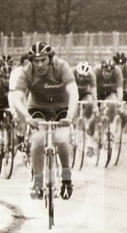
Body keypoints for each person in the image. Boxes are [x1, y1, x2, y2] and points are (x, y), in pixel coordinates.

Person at [8, 42, 78, 200]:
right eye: (36, 61)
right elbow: (17, 97)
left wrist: (70, 116)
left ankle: (66, 177)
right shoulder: (27, 71)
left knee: (61, 139)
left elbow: (73, 92)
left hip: (61, 108)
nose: (39, 65)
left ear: (50, 59)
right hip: (38, 108)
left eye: (43, 60)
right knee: (38, 139)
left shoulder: (61, 66)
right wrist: (26, 116)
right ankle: (38, 181)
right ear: (31, 61)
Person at [93, 59, 123, 141]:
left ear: (113, 71)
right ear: (101, 69)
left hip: (109, 93)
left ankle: (111, 130)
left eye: (110, 71)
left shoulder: (117, 72)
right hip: (97, 93)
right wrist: (95, 104)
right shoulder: (95, 71)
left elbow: (119, 89)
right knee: (94, 110)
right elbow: (92, 89)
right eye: (105, 71)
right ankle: (94, 131)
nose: (107, 73)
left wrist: (119, 103)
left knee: (113, 104)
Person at [73, 61, 97, 156]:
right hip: (73, 94)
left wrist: (95, 106)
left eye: (84, 77)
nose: (82, 79)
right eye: (80, 76)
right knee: (72, 110)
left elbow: (94, 92)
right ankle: (73, 128)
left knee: (90, 103)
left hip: (85, 94)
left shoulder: (91, 76)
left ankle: (85, 123)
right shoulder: (71, 72)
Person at [112, 51, 127, 128]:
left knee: (124, 113)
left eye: (122, 64)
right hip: (112, 89)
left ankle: (120, 132)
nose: (120, 66)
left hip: (123, 88)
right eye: (117, 64)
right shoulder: (110, 67)